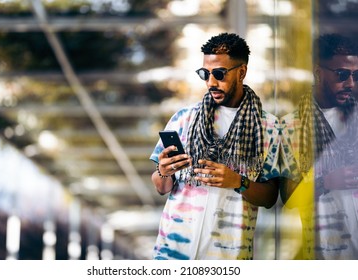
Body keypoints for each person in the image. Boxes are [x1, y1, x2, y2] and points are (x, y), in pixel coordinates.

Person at [149, 32, 280, 260]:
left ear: (241, 72)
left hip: (227, 257)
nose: (211, 82)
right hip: (172, 252)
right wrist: (163, 171)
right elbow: (161, 187)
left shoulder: (268, 127)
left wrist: (237, 181)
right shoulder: (183, 119)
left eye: (219, 74)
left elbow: (270, 197)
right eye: (205, 74)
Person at [280, 33, 358, 259]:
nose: (350, 84)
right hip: (321, 252)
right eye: (342, 75)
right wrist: (326, 182)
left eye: (355, 75)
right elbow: (288, 199)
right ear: (317, 72)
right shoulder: (290, 127)